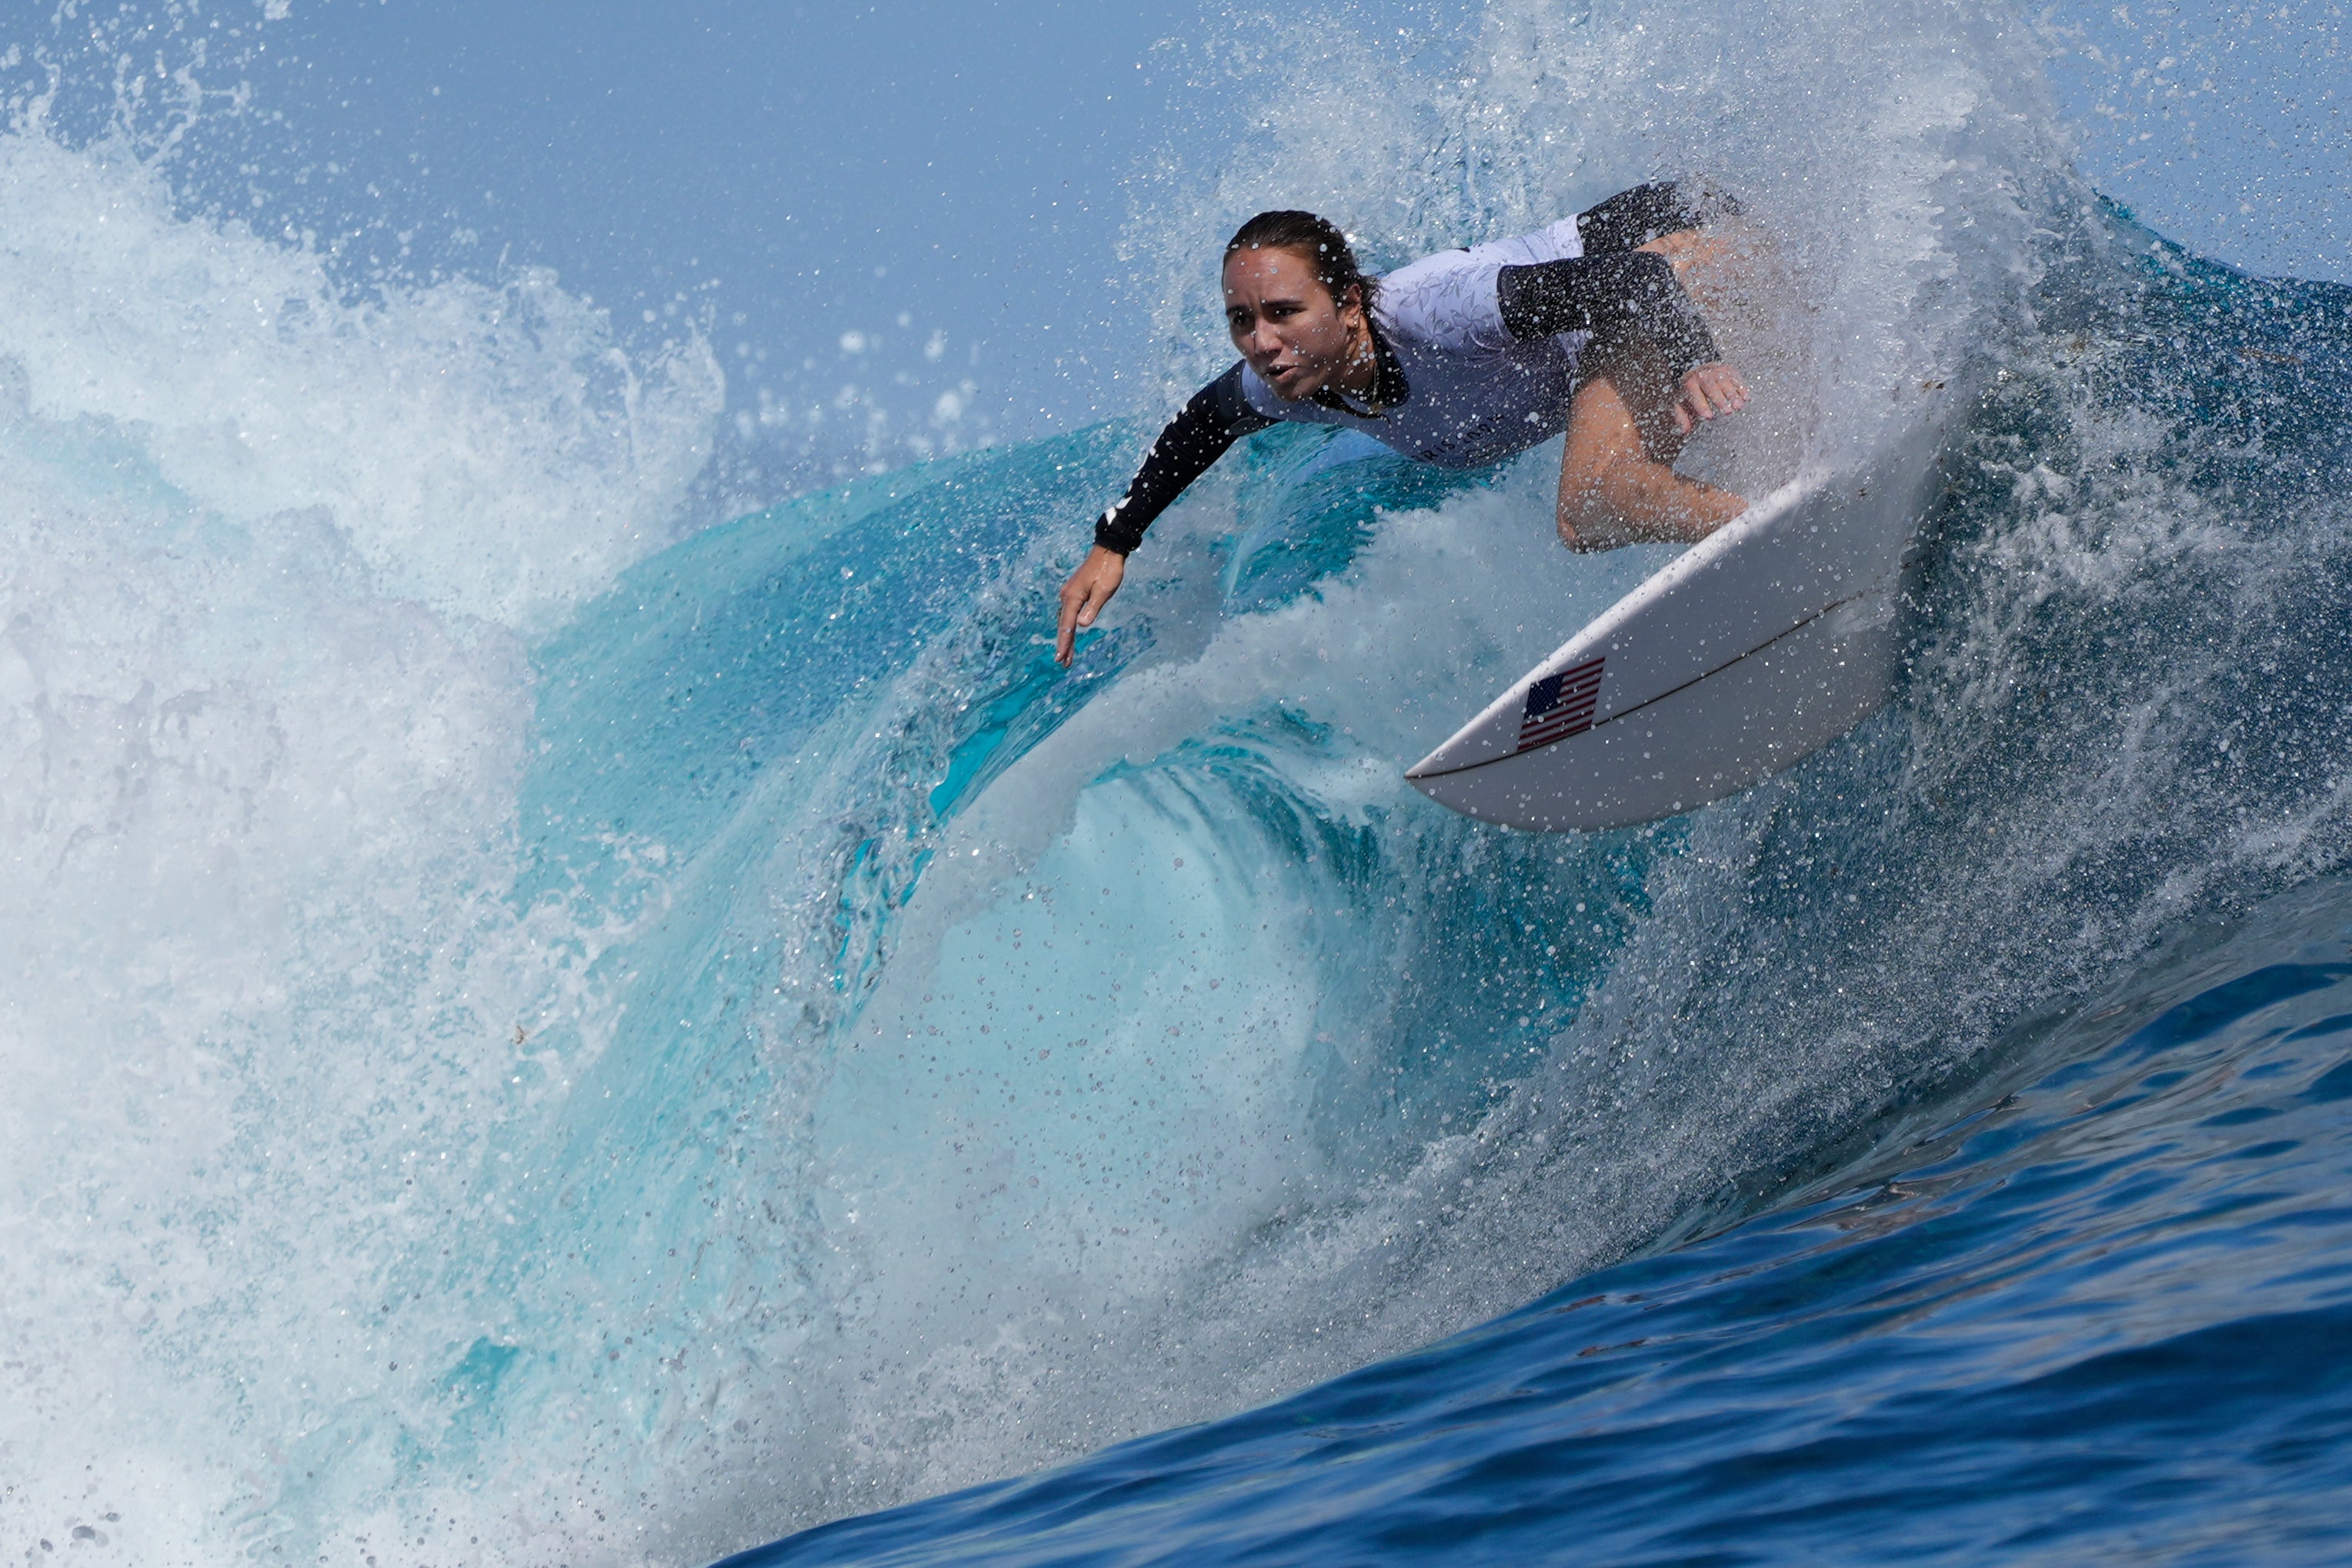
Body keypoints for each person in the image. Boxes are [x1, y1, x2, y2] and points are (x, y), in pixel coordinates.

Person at [1054, 181, 1753, 666]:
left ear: (1348, 303)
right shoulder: (1292, 380)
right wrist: (1114, 544)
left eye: (1283, 312)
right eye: (1242, 320)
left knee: (1595, 497)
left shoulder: (1437, 313)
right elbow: (1200, 424)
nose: (1260, 340)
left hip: (1680, 269)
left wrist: (1696, 361)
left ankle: (1779, 528)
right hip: (1637, 324)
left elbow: (1632, 279)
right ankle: (1773, 520)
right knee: (1589, 518)